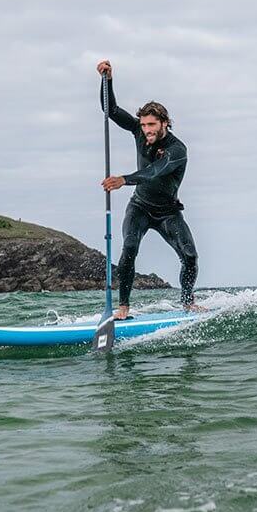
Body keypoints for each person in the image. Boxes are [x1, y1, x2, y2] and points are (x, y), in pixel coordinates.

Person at [97, 59, 204, 319]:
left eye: (152, 125)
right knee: (130, 249)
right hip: (140, 207)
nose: (146, 130)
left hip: (168, 212)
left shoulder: (178, 150)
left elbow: (154, 172)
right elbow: (110, 110)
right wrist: (107, 81)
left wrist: (124, 179)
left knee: (190, 256)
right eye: (143, 125)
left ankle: (188, 303)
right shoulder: (138, 131)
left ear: (165, 123)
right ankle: (123, 308)